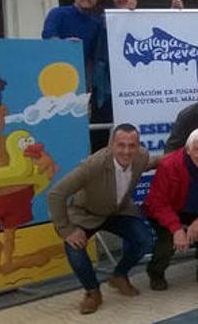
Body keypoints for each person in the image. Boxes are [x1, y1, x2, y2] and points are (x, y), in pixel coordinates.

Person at [47, 124, 154, 314]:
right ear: (111, 145)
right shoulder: (92, 166)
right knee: (75, 250)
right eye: (121, 145)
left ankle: (119, 276)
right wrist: (66, 229)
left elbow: (156, 162)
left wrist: (185, 155)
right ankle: (92, 291)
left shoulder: (142, 157)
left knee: (144, 240)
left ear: (138, 146)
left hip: (118, 211)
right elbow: (56, 194)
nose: (127, 151)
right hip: (86, 213)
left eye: (132, 145)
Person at [143, 128, 198, 290]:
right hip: (168, 209)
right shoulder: (168, 165)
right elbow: (158, 203)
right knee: (166, 240)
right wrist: (176, 228)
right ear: (188, 149)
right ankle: (156, 272)